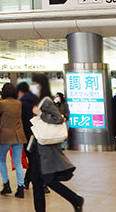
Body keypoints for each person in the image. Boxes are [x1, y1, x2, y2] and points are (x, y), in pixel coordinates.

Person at [28, 73, 84, 212]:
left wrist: (41, 114)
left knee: (48, 179)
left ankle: (75, 199)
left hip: (45, 148)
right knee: (36, 180)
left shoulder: (46, 100)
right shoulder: (37, 100)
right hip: (36, 145)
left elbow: (58, 118)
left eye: (34, 83)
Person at [0, 82, 27, 198]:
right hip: (18, 134)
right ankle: (20, 187)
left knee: (2, 160)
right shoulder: (19, 103)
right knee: (17, 162)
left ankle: (6, 184)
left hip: (5, 135)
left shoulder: (1, 104)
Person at [17, 81, 39, 191]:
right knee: (35, 158)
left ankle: (31, 181)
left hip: (26, 134)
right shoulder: (36, 101)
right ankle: (28, 180)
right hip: (38, 133)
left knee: (32, 159)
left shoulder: (21, 103)